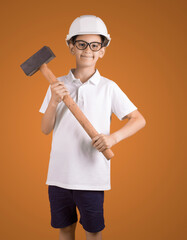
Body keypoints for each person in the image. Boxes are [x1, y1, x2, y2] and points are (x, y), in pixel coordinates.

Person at [39, 15, 146, 240]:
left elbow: (139, 119)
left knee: (93, 231)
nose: (88, 50)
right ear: (71, 46)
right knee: (65, 229)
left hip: (91, 178)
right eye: (81, 44)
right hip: (59, 176)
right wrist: (53, 101)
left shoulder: (109, 87)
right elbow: (45, 129)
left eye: (94, 45)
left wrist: (113, 138)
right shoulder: (57, 84)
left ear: (102, 50)